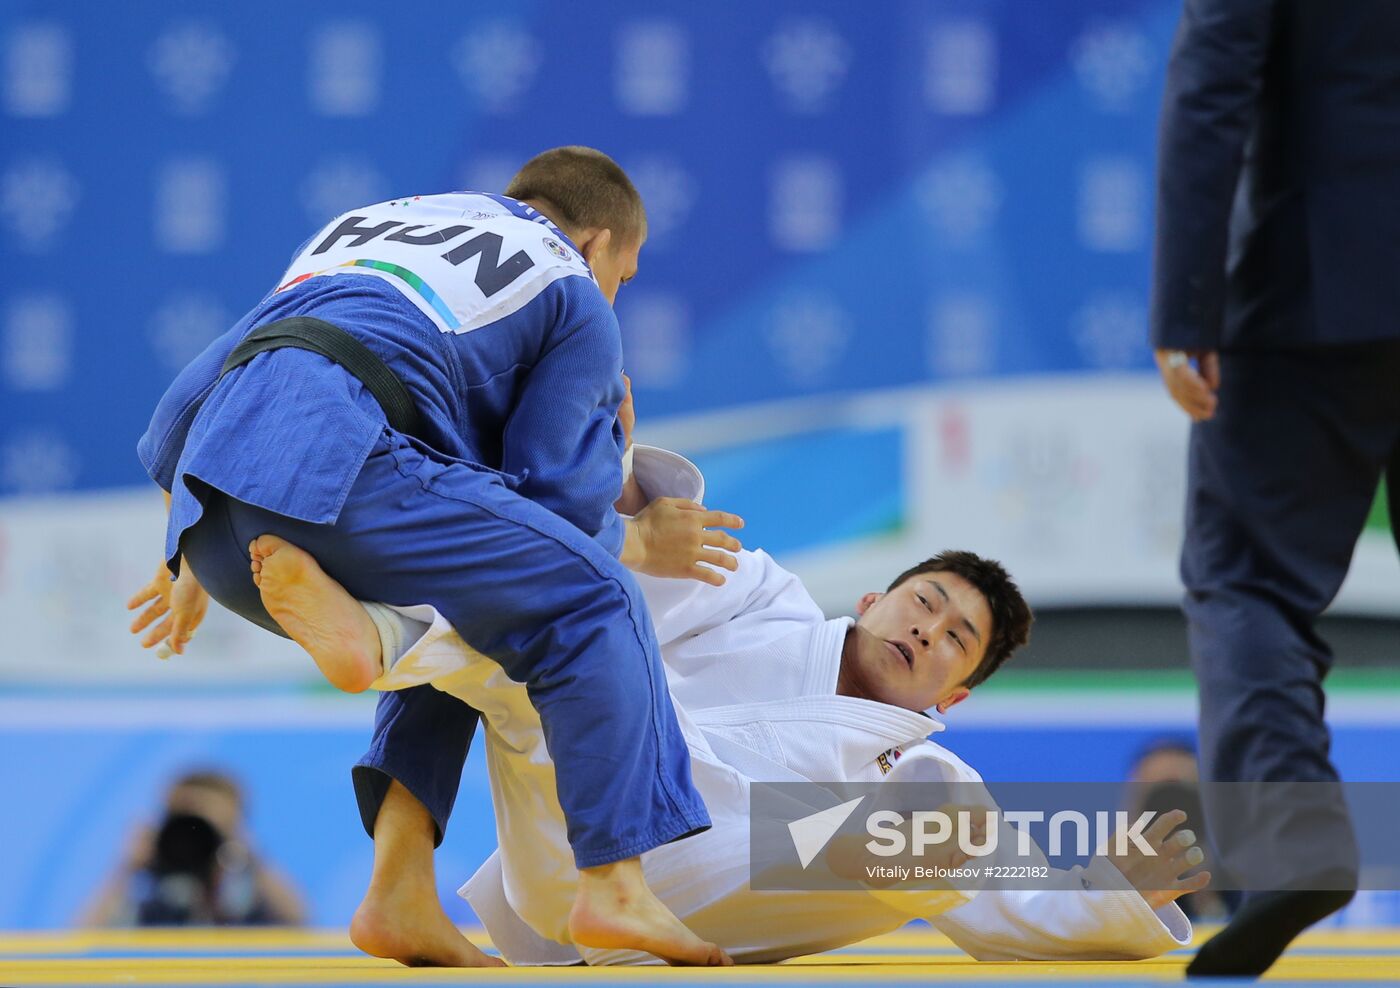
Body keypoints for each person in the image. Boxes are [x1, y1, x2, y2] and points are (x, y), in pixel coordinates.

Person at [128, 147, 744, 966]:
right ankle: (617, 888)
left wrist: (186, 557)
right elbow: (554, 506)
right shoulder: (569, 282)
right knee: (595, 599)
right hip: (344, 476)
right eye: (623, 277)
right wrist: (637, 533)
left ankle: (399, 888)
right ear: (597, 243)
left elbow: (177, 409)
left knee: (480, 606)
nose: (615, 295)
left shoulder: (366, 231)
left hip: (217, 511)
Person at [248, 444, 1211, 966]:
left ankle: (380, 637)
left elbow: (1009, 910)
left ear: (952, 694)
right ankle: (375, 638)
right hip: (582, 845)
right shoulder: (759, 593)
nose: (929, 629)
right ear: (874, 598)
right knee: (559, 620)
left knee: (942, 821)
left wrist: (1112, 895)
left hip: (703, 889)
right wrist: (627, 511)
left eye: (956, 638)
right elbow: (595, 599)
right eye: (926, 601)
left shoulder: (926, 777)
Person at [1151, 1, 1400, 976]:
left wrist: (1182, 304)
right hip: (1320, 289)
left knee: (1243, 579)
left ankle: (1293, 844)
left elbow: (1209, 89)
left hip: (1316, 291)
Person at [80, 769, 304, 928]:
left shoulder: (245, 901)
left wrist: (247, 851)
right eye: (184, 816)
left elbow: (299, 918)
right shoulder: (156, 904)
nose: (195, 832)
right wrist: (126, 868)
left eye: (206, 821)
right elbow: (83, 938)